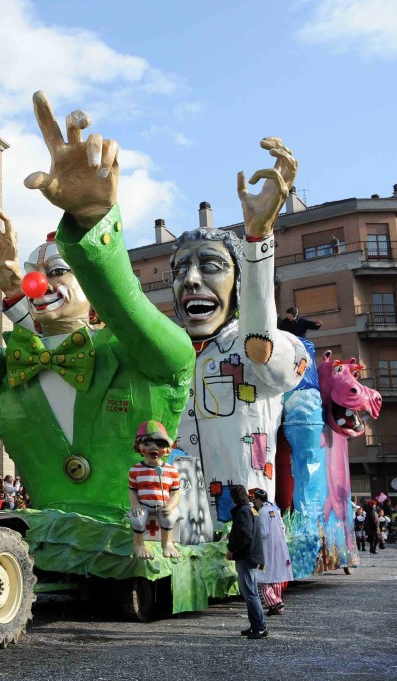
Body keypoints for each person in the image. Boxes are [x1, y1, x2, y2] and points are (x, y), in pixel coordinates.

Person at [0, 94, 194, 524]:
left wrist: (92, 220)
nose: (37, 282)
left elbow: (127, 308)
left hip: (138, 542)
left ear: (91, 286)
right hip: (40, 550)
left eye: (57, 271)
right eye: (33, 272)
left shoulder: (145, 356)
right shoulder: (13, 372)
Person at [169, 139, 307, 534]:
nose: (191, 280)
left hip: (247, 519)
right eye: (180, 269)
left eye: (211, 266)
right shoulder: (167, 352)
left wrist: (258, 239)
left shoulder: (261, 347)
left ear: (240, 282)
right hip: (183, 520)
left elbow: (260, 345)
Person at [128, 420, 181, 560]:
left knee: (168, 518)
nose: (153, 447)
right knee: (138, 519)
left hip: (163, 505)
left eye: (160, 444)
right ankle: (138, 544)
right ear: (138, 446)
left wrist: (170, 506)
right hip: (144, 506)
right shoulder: (135, 470)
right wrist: (136, 504)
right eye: (146, 443)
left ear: (167, 448)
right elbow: (132, 490)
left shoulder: (172, 471)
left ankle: (167, 543)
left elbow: (176, 493)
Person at [226, 485, 266, 639]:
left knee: (249, 593)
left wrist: (232, 548)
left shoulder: (242, 511)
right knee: (253, 592)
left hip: (246, 556)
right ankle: (256, 624)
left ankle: (259, 627)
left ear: (233, 498)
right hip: (253, 554)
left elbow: (245, 534)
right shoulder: (252, 510)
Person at [250, 488, 292, 616]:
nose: (253, 502)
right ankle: (278, 603)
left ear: (258, 499)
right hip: (278, 549)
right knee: (276, 577)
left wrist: (253, 533)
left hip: (266, 550)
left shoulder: (263, 512)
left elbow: (263, 532)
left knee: (262, 578)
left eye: (254, 499)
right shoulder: (274, 510)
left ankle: (274, 602)